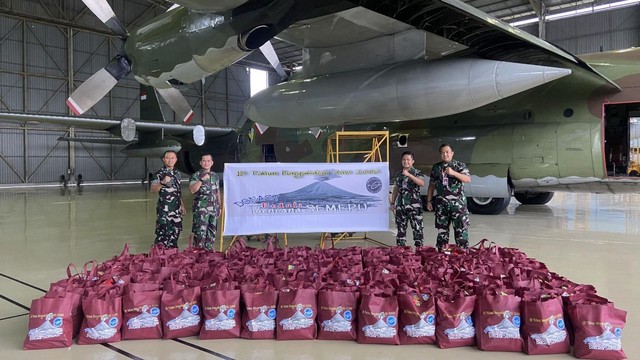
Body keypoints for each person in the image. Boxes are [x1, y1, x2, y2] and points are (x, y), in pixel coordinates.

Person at [426, 144, 471, 251]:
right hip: (442, 206)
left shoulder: (459, 165)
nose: (445, 154)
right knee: (442, 233)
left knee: (461, 232)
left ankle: (462, 256)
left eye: (447, 152)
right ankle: (442, 257)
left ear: (452, 153)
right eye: (442, 152)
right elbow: (431, 185)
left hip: (458, 207)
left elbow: (467, 179)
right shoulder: (436, 167)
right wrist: (429, 201)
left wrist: (453, 173)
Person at [150, 150, 185, 248]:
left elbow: (178, 190)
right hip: (164, 210)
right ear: (163, 159)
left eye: (172, 158)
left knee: (175, 234)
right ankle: (159, 257)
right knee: (163, 235)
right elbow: (152, 189)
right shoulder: (159, 173)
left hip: (176, 210)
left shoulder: (177, 173)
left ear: (176, 159)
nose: (170, 160)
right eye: (168, 158)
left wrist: (182, 205)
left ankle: (172, 258)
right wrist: (162, 182)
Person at [390, 151, 426, 247]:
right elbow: (396, 188)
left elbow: (422, 183)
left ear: (412, 161)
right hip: (401, 206)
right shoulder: (398, 174)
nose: (406, 162)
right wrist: (392, 202)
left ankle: (419, 252)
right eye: (404, 160)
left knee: (417, 230)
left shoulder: (417, 172)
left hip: (414, 206)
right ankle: (402, 253)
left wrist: (409, 175)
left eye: (408, 160)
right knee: (400, 231)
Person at [189, 154, 221, 251]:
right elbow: (192, 190)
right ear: (200, 162)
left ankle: (209, 254)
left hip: (214, 209)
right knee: (200, 234)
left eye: (208, 161)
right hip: (201, 211)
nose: (206, 163)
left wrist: (220, 206)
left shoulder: (215, 176)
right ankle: (199, 255)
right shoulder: (196, 176)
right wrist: (201, 180)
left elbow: (218, 192)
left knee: (212, 233)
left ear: (212, 163)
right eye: (204, 161)